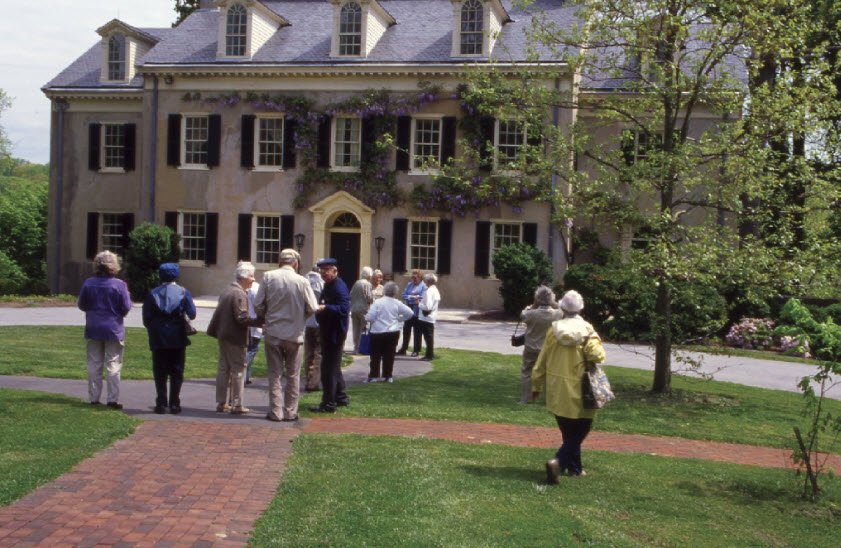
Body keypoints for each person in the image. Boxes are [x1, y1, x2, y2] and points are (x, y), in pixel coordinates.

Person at [531, 290, 606, 483]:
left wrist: (536, 384)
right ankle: (559, 462)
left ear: (562, 307)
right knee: (581, 430)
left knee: (568, 430)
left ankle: (575, 468)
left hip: (557, 387)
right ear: (581, 308)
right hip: (582, 387)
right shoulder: (588, 330)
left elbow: (542, 359)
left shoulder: (553, 329)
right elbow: (597, 356)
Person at [254, 249, 317, 422]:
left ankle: (276, 411)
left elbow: (258, 304)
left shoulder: (268, 277)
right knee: (293, 375)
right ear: (295, 263)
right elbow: (312, 307)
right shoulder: (302, 281)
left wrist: (266, 316)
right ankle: (290, 411)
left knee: (274, 374)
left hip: (273, 332)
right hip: (294, 334)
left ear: (280, 261)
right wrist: (300, 317)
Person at [77, 250, 133, 409]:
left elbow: (82, 305)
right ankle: (112, 399)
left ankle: (94, 397)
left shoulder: (88, 283)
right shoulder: (119, 285)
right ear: (114, 266)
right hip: (113, 328)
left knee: (94, 363)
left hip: (93, 327)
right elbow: (126, 306)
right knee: (113, 364)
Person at [141, 263, 197, 414]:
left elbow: (146, 318)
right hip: (177, 336)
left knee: (159, 370)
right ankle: (174, 403)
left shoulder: (152, 293)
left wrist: (155, 328)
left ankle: (160, 402)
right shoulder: (184, 292)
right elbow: (192, 313)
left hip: (158, 336)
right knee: (177, 370)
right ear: (176, 275)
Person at [207, 262, 262, 415]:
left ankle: (221, 403)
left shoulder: (227, 290)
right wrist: (260, 321)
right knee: (238, 370)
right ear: (243, 277)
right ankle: (237, 405)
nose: (253, 279)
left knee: (223, 369)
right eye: (251, 276)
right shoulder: (239, 293)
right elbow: (242, 318)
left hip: (223, 335)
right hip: (234, 337)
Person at [309, 258, 351, 413]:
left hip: (335, 333)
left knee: (328, 369)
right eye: (322, 270)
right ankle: (341, 397)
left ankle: (328, 404)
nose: (323, 273)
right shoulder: (328, 285)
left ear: (335, 271)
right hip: (327, 331)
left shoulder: (339, 287)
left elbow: (344, 309)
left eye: (327, 270)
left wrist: (325, 308)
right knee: (334, 367)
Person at [519, 286, 563, 404]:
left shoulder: (530, 314)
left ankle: (525, 399)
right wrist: (552, 302)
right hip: (549, 349)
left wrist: (534, 304)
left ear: (537, 298)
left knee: (527, 372)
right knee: (550, 373)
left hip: (531, 348)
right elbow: (563, 309)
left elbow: (522, 315)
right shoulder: (557, 314)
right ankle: (551, 400)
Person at [364, 282, 414, 383]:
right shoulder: (397, 303)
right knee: (389, 354)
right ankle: (388, 376)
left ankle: (373, 376)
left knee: (375, 355)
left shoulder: (378, 302)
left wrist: (373, 320)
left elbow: (369, 317)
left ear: (384, 291)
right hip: (393, 331)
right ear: (395, 292)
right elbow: (410, 313)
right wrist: (400, 319)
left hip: (377, 332)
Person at [302, 266, 324, 392]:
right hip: (319, 322)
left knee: (308, 353)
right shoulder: (322, 284)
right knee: (318, 354)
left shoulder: (304, 282)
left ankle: (308, 379)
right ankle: (314, 382)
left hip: (307, 322)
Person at [397, 269, 426, 356]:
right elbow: (403, 295)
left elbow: (422, 297)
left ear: (420, 277)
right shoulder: (409, 284)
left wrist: (412, 297)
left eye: (415, 277)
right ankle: (403, 349)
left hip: (417, 310)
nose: (413, 279)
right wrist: (412, 297)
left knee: (417, 331)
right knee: (406, 330)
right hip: (408, 309)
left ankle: (416, 350)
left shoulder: (423, 286)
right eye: (412, 277)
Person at [349, 266, 374, 354]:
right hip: (363, 309)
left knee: (355, 329)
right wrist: (373, 299)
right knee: (364, 329)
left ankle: (355, 348)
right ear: (369, 275)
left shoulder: (357, 283)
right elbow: (369, 298)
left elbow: (351, 294)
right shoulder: (367, 284)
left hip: (354, 308)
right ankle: (361, 347)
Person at [416, 272, 441, 360]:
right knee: (429, 337)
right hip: (431, 317)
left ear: (428, 281)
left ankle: (429, 355)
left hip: (426, 317)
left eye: (425, 280)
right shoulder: (435, 290)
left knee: (428, 337)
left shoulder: (428, 292)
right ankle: (429, 354)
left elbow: (427, 307)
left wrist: (419, 304)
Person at [244, 279, 262, 385]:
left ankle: (246, 377)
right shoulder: (256, 288)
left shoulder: (243, 287)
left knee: (249, 349)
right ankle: (242, 373)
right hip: (254, 323)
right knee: (252, 349)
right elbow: (259, 307)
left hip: (248, 322)